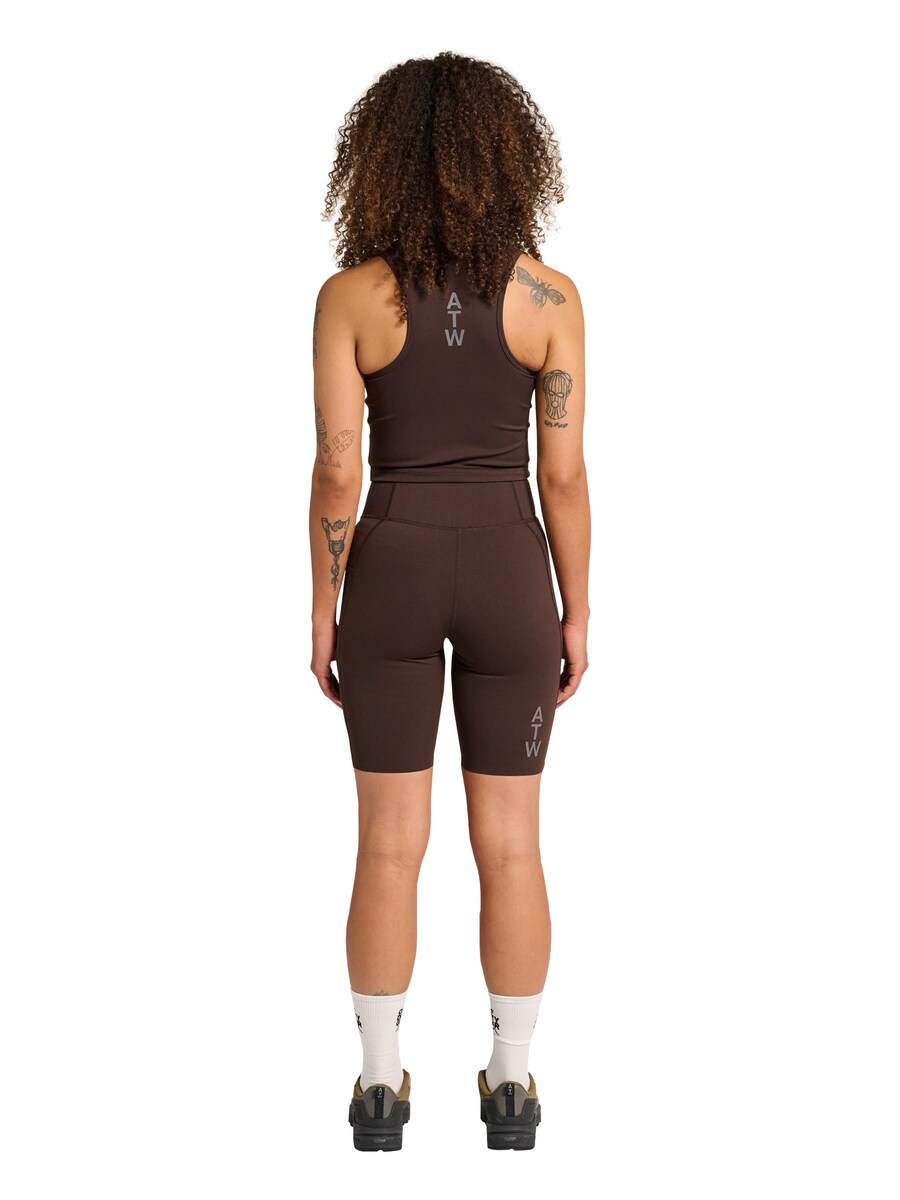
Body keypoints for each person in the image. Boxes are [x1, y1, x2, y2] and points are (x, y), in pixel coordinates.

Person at [310, 51, 590, 1151]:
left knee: (388, 844)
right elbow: (562, 475)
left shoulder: (350, 299)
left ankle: (380, 1086)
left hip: (391, 564)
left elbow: (338, 471)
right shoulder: (549, 299)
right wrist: (575, 611)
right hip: (512, 568)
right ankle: (511, 1086)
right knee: (511, 844)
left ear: (376, 164)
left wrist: (324, 606)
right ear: (509, 157)